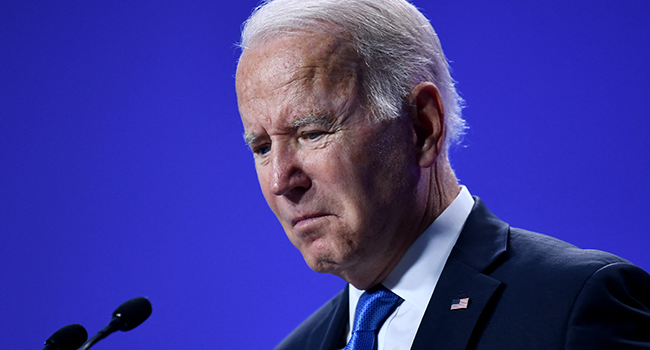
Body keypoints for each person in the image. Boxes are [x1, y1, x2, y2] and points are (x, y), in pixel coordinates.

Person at [234, 0, 650, 348]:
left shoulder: (575, 307)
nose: (281, 181)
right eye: (263, 147)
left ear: (422, 126)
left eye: (311, 133)